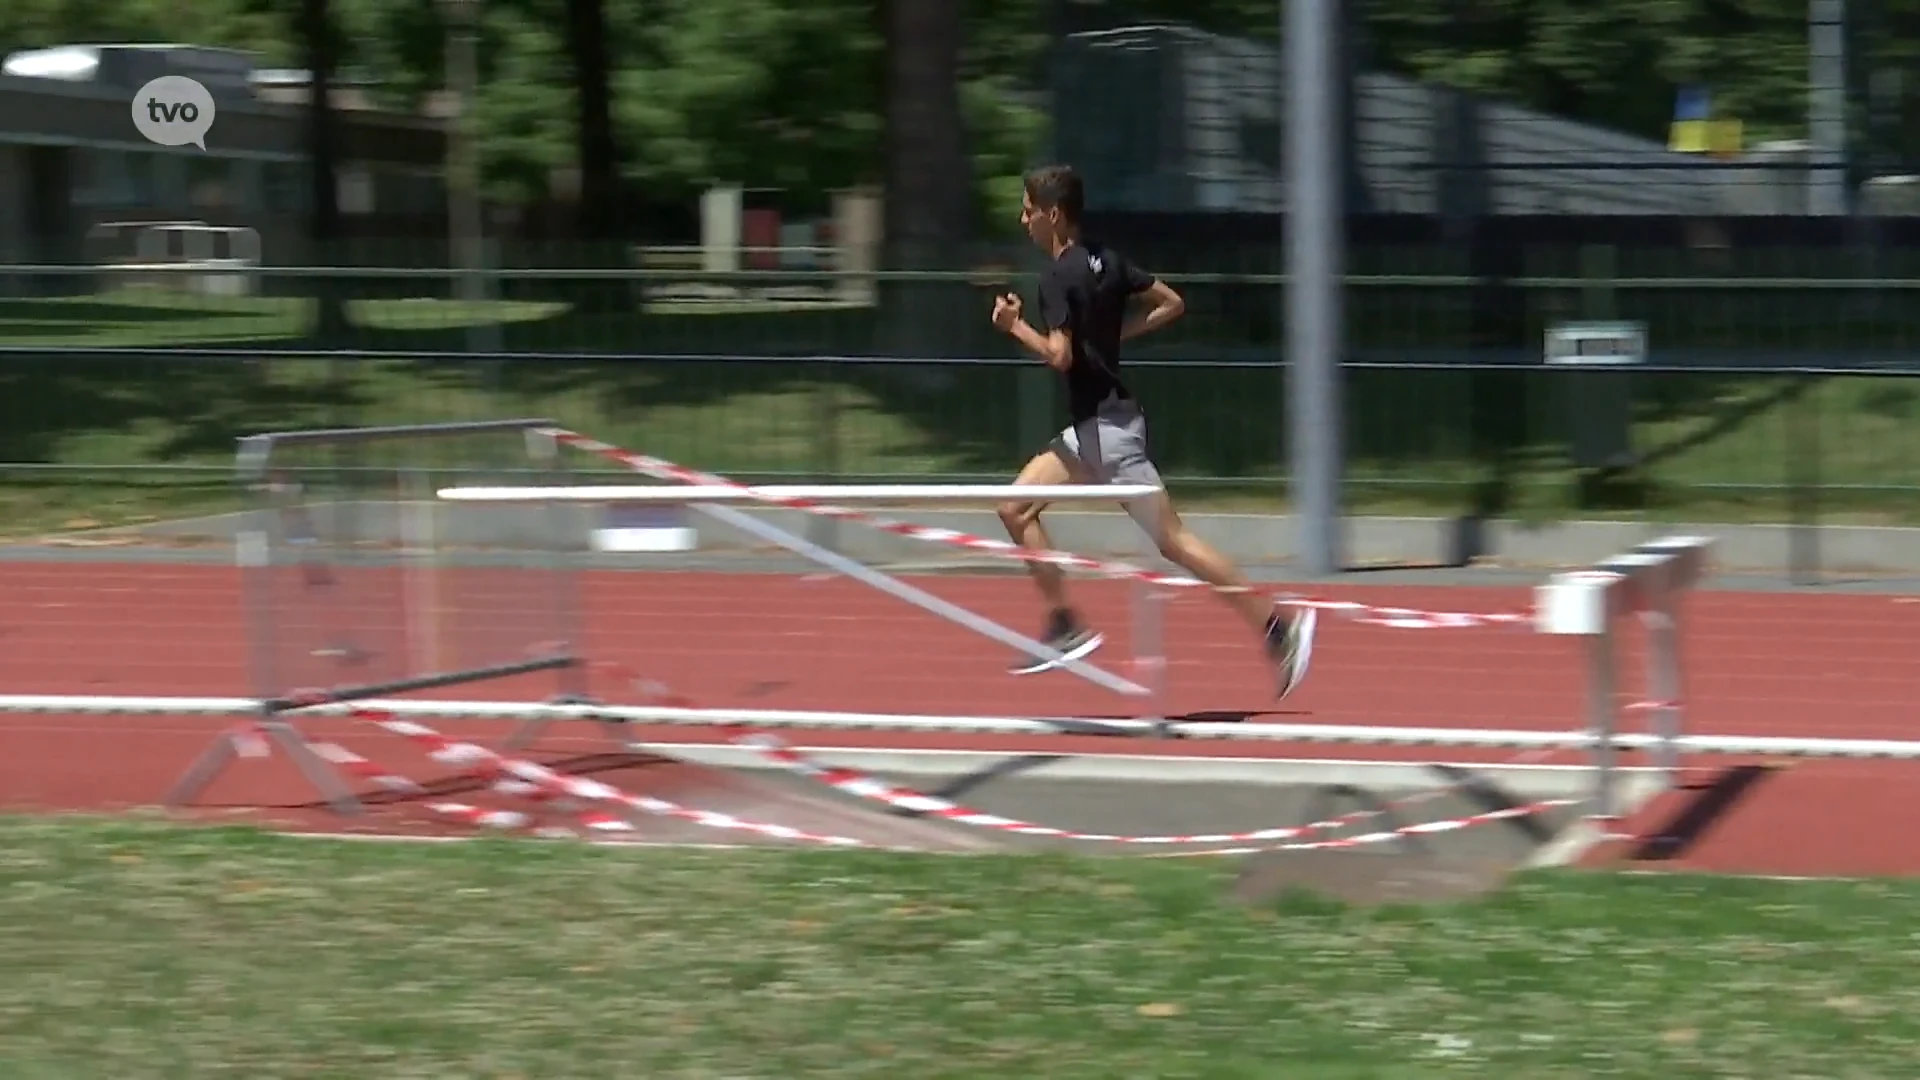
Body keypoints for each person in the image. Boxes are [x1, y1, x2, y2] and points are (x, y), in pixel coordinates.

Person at [988, 164, 1316, 699]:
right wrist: (1116, 337)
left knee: (1175, 542)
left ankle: (1278, 628)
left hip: (1106, 433)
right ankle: (1065, 623)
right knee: (1014, 508)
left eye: (1028, 209)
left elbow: (1059, 355)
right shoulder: (1109, 261)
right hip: (1100, 428)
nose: (1023, 218)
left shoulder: (1056, 276)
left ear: (1053, 214)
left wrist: (1013, 327)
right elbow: (1172, 303)